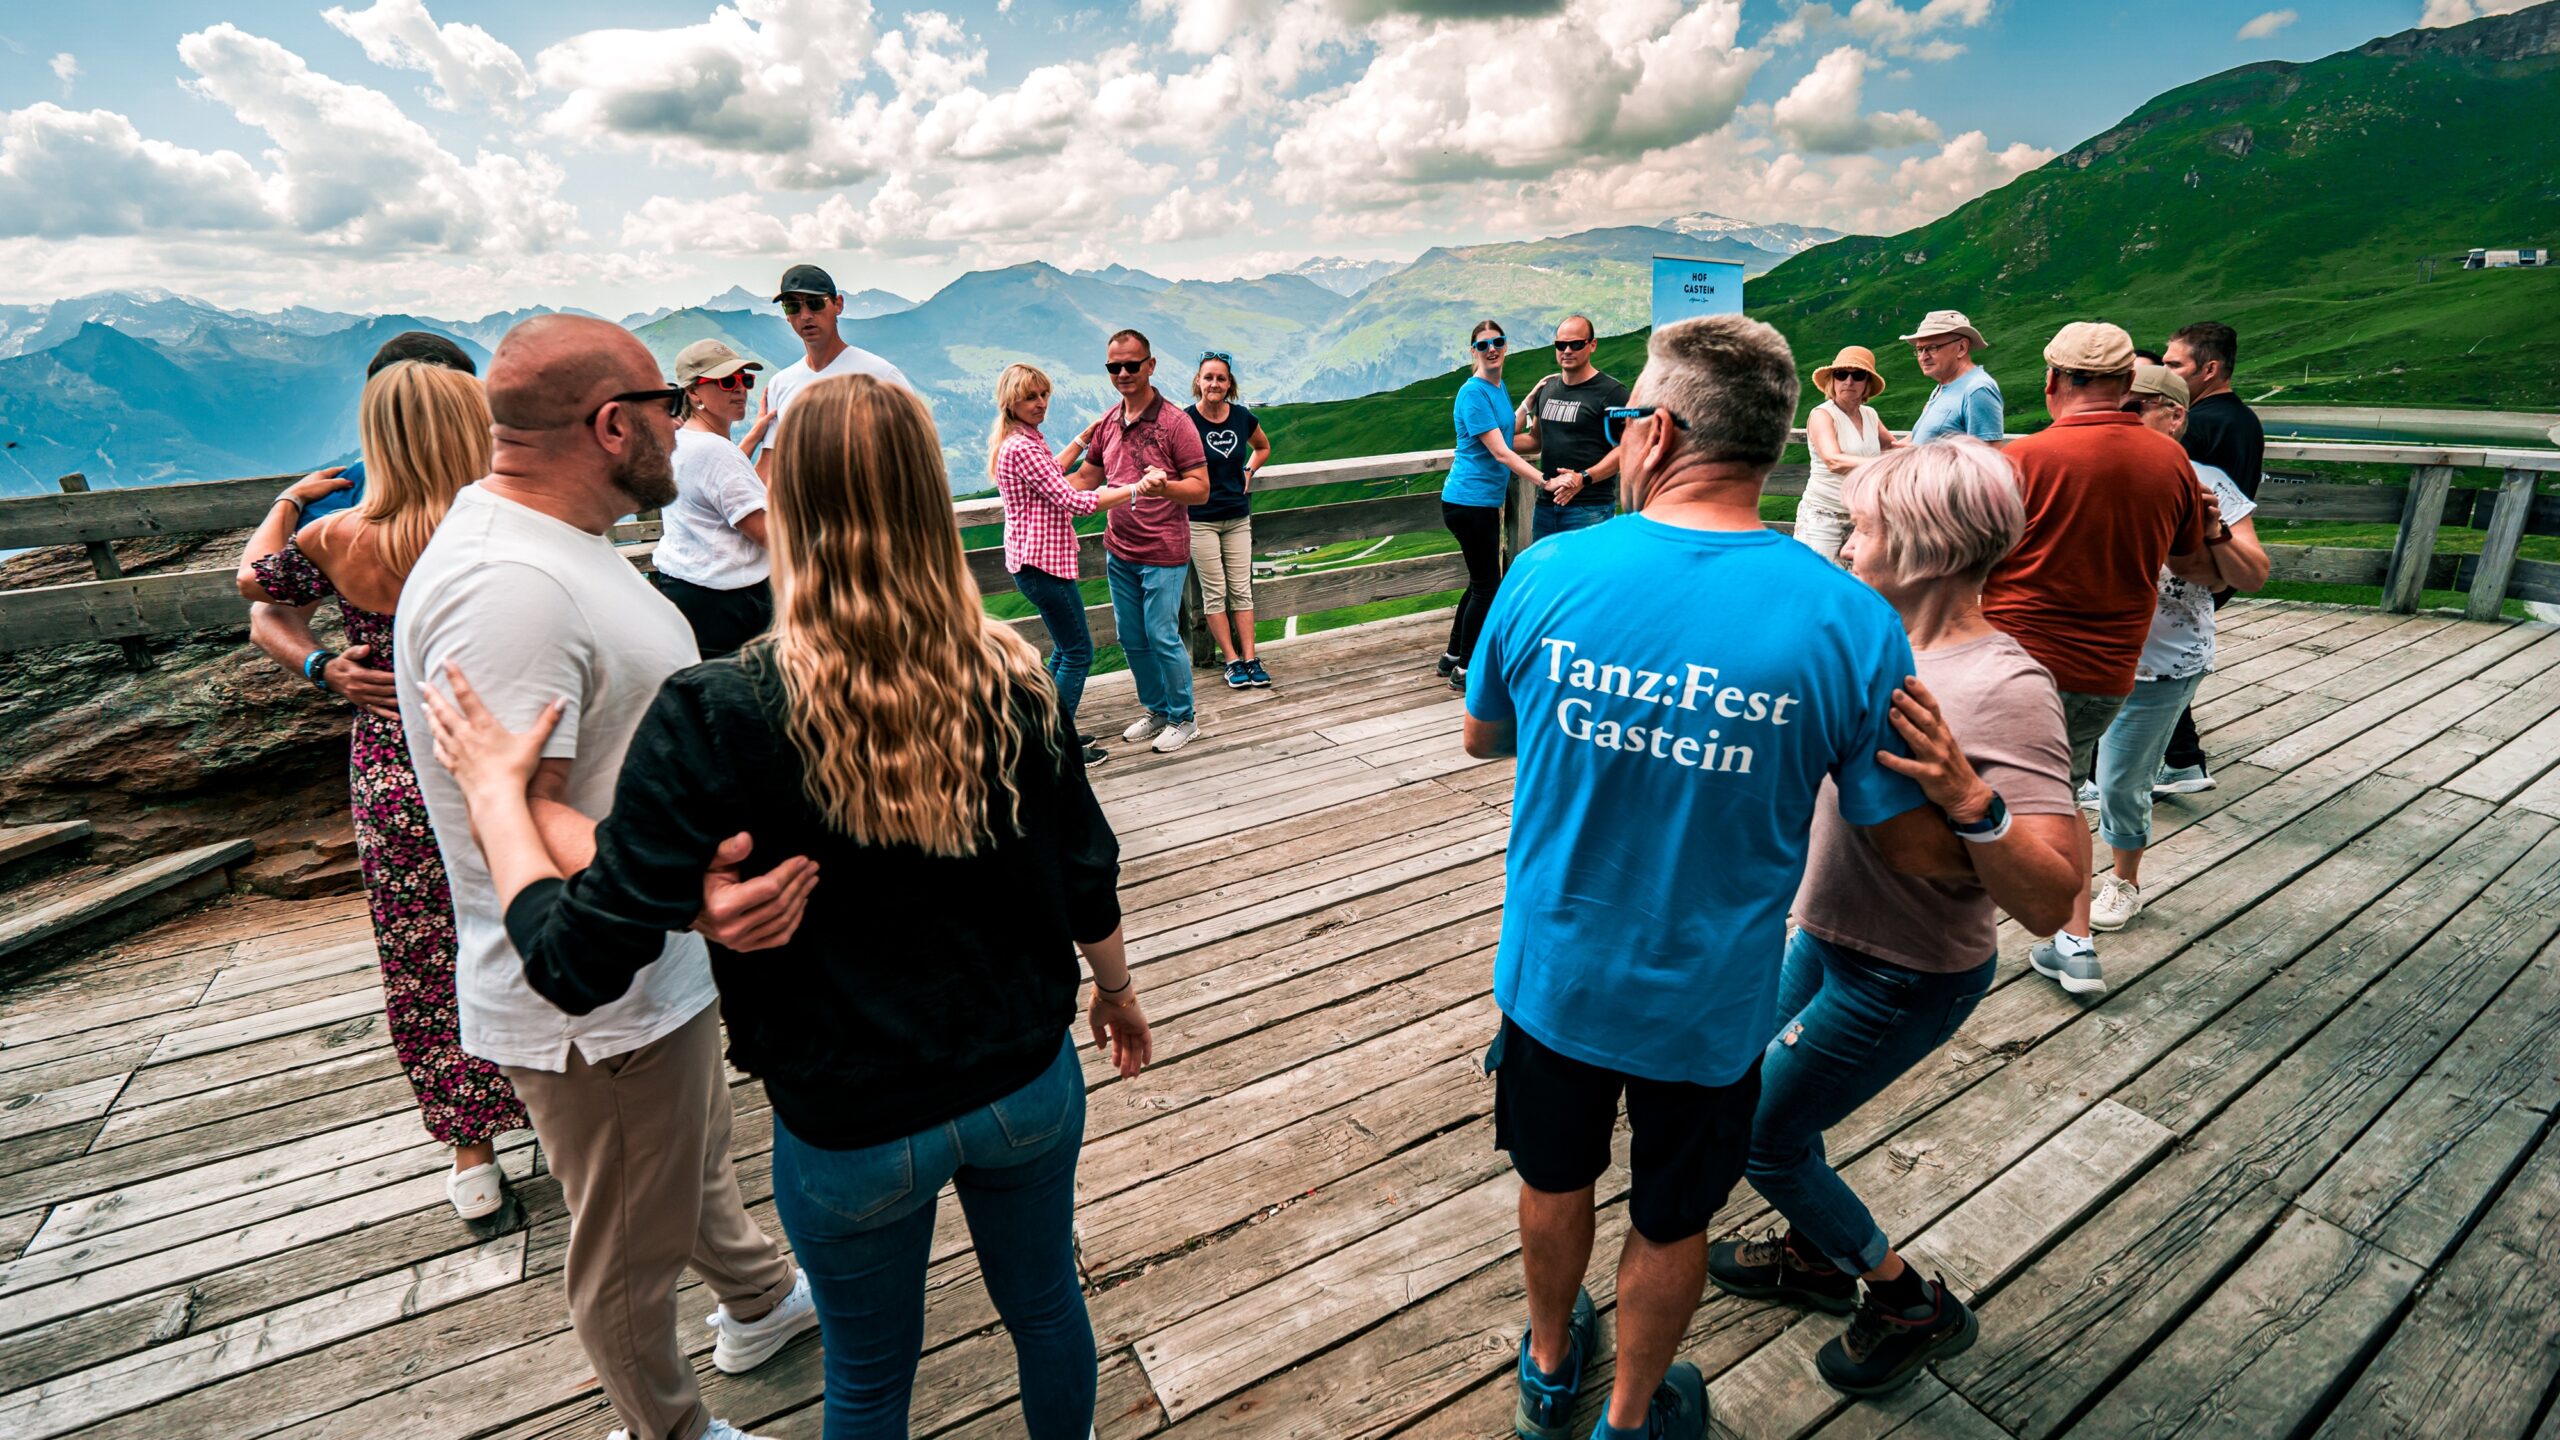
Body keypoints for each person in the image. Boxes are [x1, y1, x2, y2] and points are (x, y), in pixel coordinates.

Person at [416, 373, 1154, 1440]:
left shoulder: (719, 713)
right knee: (1046, 1307)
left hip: (850, 1125)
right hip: (1025, 1082)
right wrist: (1117, 992)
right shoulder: (1012, 676)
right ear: (927, 504)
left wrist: (496, 796)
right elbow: (1085, 872)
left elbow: (573, 961)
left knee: (866, 1377)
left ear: (788, 506)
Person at [1461, 314, 1971, 1440]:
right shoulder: (1848, 620)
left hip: (1553, 972)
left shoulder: (1547, 569)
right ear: (1776, 447)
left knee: (1551, 1178)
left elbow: (1482, 737)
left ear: (1655, 431)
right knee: (1672, 1213)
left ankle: (1548, 1374)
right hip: (1710, 998)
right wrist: (1978, 809)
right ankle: (1631, 1419)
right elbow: (1903, 844)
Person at [393, 315, 821, 1440]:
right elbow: (520, 805)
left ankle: (761, 1302)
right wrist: (683, 895)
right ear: (614, 422)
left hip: (648, 968)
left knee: (680, 1161)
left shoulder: (551, 542)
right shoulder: (509, 588)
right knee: (625, 1245)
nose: (684, 428)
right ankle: (666, 1426)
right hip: (594, 987)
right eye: (669, 408)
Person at [1706, 438, 2081, 1398]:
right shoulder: (1877, 642)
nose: (1845, 542)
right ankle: (1822, 1255)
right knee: (1758, 1100)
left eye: (1863, 527)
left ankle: (1907, 1299)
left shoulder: (2005, 688)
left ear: (1925, 545)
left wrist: (1972, 800)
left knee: (1760, 1134)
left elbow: (2050, 900)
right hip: (1826, 936)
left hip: (1908, 972)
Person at [234, 361, 529, 1223]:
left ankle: (471, 1156)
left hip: (399, 762)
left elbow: (255, 586)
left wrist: (289, 504)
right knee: (532, 919)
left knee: (423, 952)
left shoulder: (337, 538)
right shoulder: (508, 523)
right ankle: (569, 1100)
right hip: (507, 745)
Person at [1979, 322, 2208, 997]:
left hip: (2014, 661)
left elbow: (1977, 557)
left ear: (2053, 381)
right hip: (2109, 670)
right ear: (2125, 386)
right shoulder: (2171, 463)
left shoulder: (2025, 459)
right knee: (2060, 793)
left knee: (1978, 789)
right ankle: (2071, 942)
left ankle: (1955, 933)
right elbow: (2190, 560)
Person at [2087, 366, 2270, 932]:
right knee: (2056, 776)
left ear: (2176, 415)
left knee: (2120, 780)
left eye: (2140, 407)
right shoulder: (2092, 471)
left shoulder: (2207, 480)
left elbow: (2253, 574)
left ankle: (2123, 881)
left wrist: (2213, 533)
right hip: (2082, 652)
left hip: (2161, 662)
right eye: (2120, 407)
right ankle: (2053, 875)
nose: (2127, 418)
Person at [249, 330, 477, 720]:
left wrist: (289, 501)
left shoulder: (340, 508)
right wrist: (321, 666)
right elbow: (270, 611)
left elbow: (261, 595)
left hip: (395, 723)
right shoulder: (520, 490)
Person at [990, 362, 1141, 764]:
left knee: (1063, 650)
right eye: (1030, 397)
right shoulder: (1022, 446)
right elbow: (1074, 501)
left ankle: (1050, 732)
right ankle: (1057, 747)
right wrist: (1135, 489)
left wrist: (1079, 440)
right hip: (1043, 564)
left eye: (1044, 395)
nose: (1040, 403)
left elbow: (1050, 475)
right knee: (1078, 652)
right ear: (1012, 401)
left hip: (1032, 563)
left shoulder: (1020, 440)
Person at [1068, 329, 1212, 754]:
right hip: (1120, 547)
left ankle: (1184, 718)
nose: (1124, 373)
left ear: (1151, 365)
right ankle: (1158, 709)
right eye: (1115, 366)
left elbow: (1201, 489)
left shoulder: (1175, 422)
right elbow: (1085, 479)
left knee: (1161, 633)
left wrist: (1161, 488)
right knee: (1131, 636)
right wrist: (1035, 486)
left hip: (1163, 550)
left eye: (1133, 365)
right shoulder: (1109, 422)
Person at [2155, 320, 2267, 795]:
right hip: (2224, 555)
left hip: (2193, 561)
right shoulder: (2244, 420)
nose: (2166, 372)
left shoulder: (2198, 427)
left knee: (2160, 662)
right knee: (2168, 663)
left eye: (2174, 364)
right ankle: (2180, 760)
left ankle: (2179, 761)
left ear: (2210, 367)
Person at [1440, 319, 1544, 693]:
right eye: (1484, 345)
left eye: (1498, 342)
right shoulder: (1473, 393)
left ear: (1506, 345)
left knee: (1480, 581)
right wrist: (1544, 482)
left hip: (1479, 503)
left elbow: (1508, 430)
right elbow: (1501, 451)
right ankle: (1466, 669)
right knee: (1488, 586)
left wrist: (1529, 401)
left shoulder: (1497, 388)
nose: (1492, 349)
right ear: (1474, 351)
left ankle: (1452, 655)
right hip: (1468, 503)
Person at [653, 339, 773, 659]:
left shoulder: (682, 439)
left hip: (684, 589)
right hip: (728, 606)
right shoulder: (714, 452)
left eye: (744, 379)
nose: (740, 389)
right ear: (693, 391)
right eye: (726, 381)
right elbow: (769, 535)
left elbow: (721, 486)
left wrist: (757, 437)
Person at [752, 263, 913, 482]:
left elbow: (916, 455)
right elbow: (769, 469)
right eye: (793, 307)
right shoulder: (780, 384)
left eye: (815, 304)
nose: (805, 315)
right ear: (787, 316)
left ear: (838, 305)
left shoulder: (880, 375)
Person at [1186, 351, 1274, 691]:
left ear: (1229, 384)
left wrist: (1250, 469)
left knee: (1241, 591)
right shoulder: (1186, 421)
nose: (1214, 384)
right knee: (1214, 593)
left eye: (1221, 378)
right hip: (1201, 519)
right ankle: (1231, 661)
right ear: (1198, 381)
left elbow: (1263, 447)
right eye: (1208, 377)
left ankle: (1251, 658)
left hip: (1237, 517)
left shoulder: (1241, 418)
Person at [1513, 314, 1630, 543]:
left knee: (1589, 577)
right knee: (1547, 576)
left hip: (1590, 508)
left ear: (1592, 345)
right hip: (1546, 506)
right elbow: (1535, 440)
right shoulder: (1548, 389)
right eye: (1561, 344)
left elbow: (1629, 447)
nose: (1567, 350)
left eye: (1576, 344)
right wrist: (1489, 443)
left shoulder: (1613, 392)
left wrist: (1584, 478)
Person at [1797, 346, 1902, 564]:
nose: (1849, 381)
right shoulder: (1822, 415)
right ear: (1832, 381)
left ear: (1867, 384)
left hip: (1861, 520)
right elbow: (1833, 460)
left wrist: (1932, 426)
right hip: (1823, 517)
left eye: (1858, 375)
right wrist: (1878, 466)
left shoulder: (1870, 414)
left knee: (1857, 585)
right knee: (1818, 582)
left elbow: (1893, 447)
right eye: (1841, 374)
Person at [1899, 310, 2002, 445]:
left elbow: (1988, 457)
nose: (1923, 357)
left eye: (1932, 348)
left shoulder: (1978, 389)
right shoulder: (1942, 387)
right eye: (1919, 350)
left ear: (1961, 348)